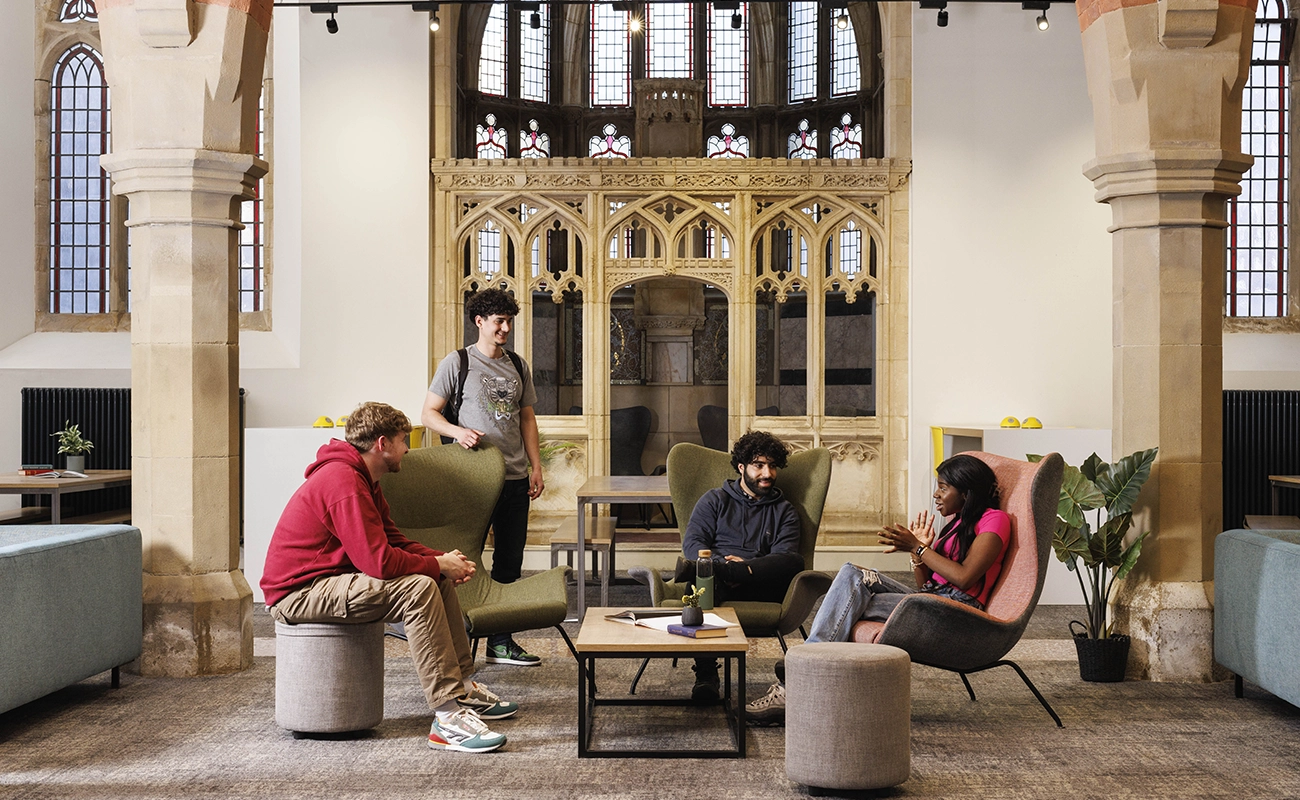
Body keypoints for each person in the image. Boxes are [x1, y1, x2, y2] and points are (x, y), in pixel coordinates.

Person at [262, 402, 518, 754]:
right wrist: (436, 566)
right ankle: (446, 718)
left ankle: (462, 686)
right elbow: (378, 563)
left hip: (328, 581)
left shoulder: (363, 477)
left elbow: (392, 540)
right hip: (299, 593)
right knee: (418, 588)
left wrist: (440, 559)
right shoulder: (343, 480)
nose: (408, 449)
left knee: (434, 579)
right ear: (382, 444)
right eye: (403, 440)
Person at [746, 453, 1011, 725]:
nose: (936, 494)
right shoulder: (957, 523)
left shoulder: (995, 520)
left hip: (959, 611)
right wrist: (918, 556)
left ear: (966, 493)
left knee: (848, 603)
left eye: (944, 487)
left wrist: (918, 547)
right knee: (852, 574)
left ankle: (803, 668)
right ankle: (809, 665)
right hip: (934, 599)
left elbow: (965, 578)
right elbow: (926, 585)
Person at [421, 288, 544, 667]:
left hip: (513, 478)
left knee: (511, 559)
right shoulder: (457, 363)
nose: (505, 328)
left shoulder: (518, 365)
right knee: (464, 558)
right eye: (499, 321)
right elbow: (429, 413)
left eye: (509, 321)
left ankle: (500, 643)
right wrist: (458, 432)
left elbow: (526, 417)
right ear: (480, 322)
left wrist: (535, 466)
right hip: (471, 480)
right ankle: (457, 639)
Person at [676, 431, 804, 703]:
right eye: (759, 465)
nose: (767, 473)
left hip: (761, 584)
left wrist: (746, 568)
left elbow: (784, 557)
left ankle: (722, 571)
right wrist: (722, 565)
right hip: (717, 582)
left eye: (772, 466)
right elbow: (694, 544)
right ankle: (707, 675)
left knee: (794, 561)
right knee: (702, 580)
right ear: (742, 467)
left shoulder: (785, 511)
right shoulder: (713, 501)